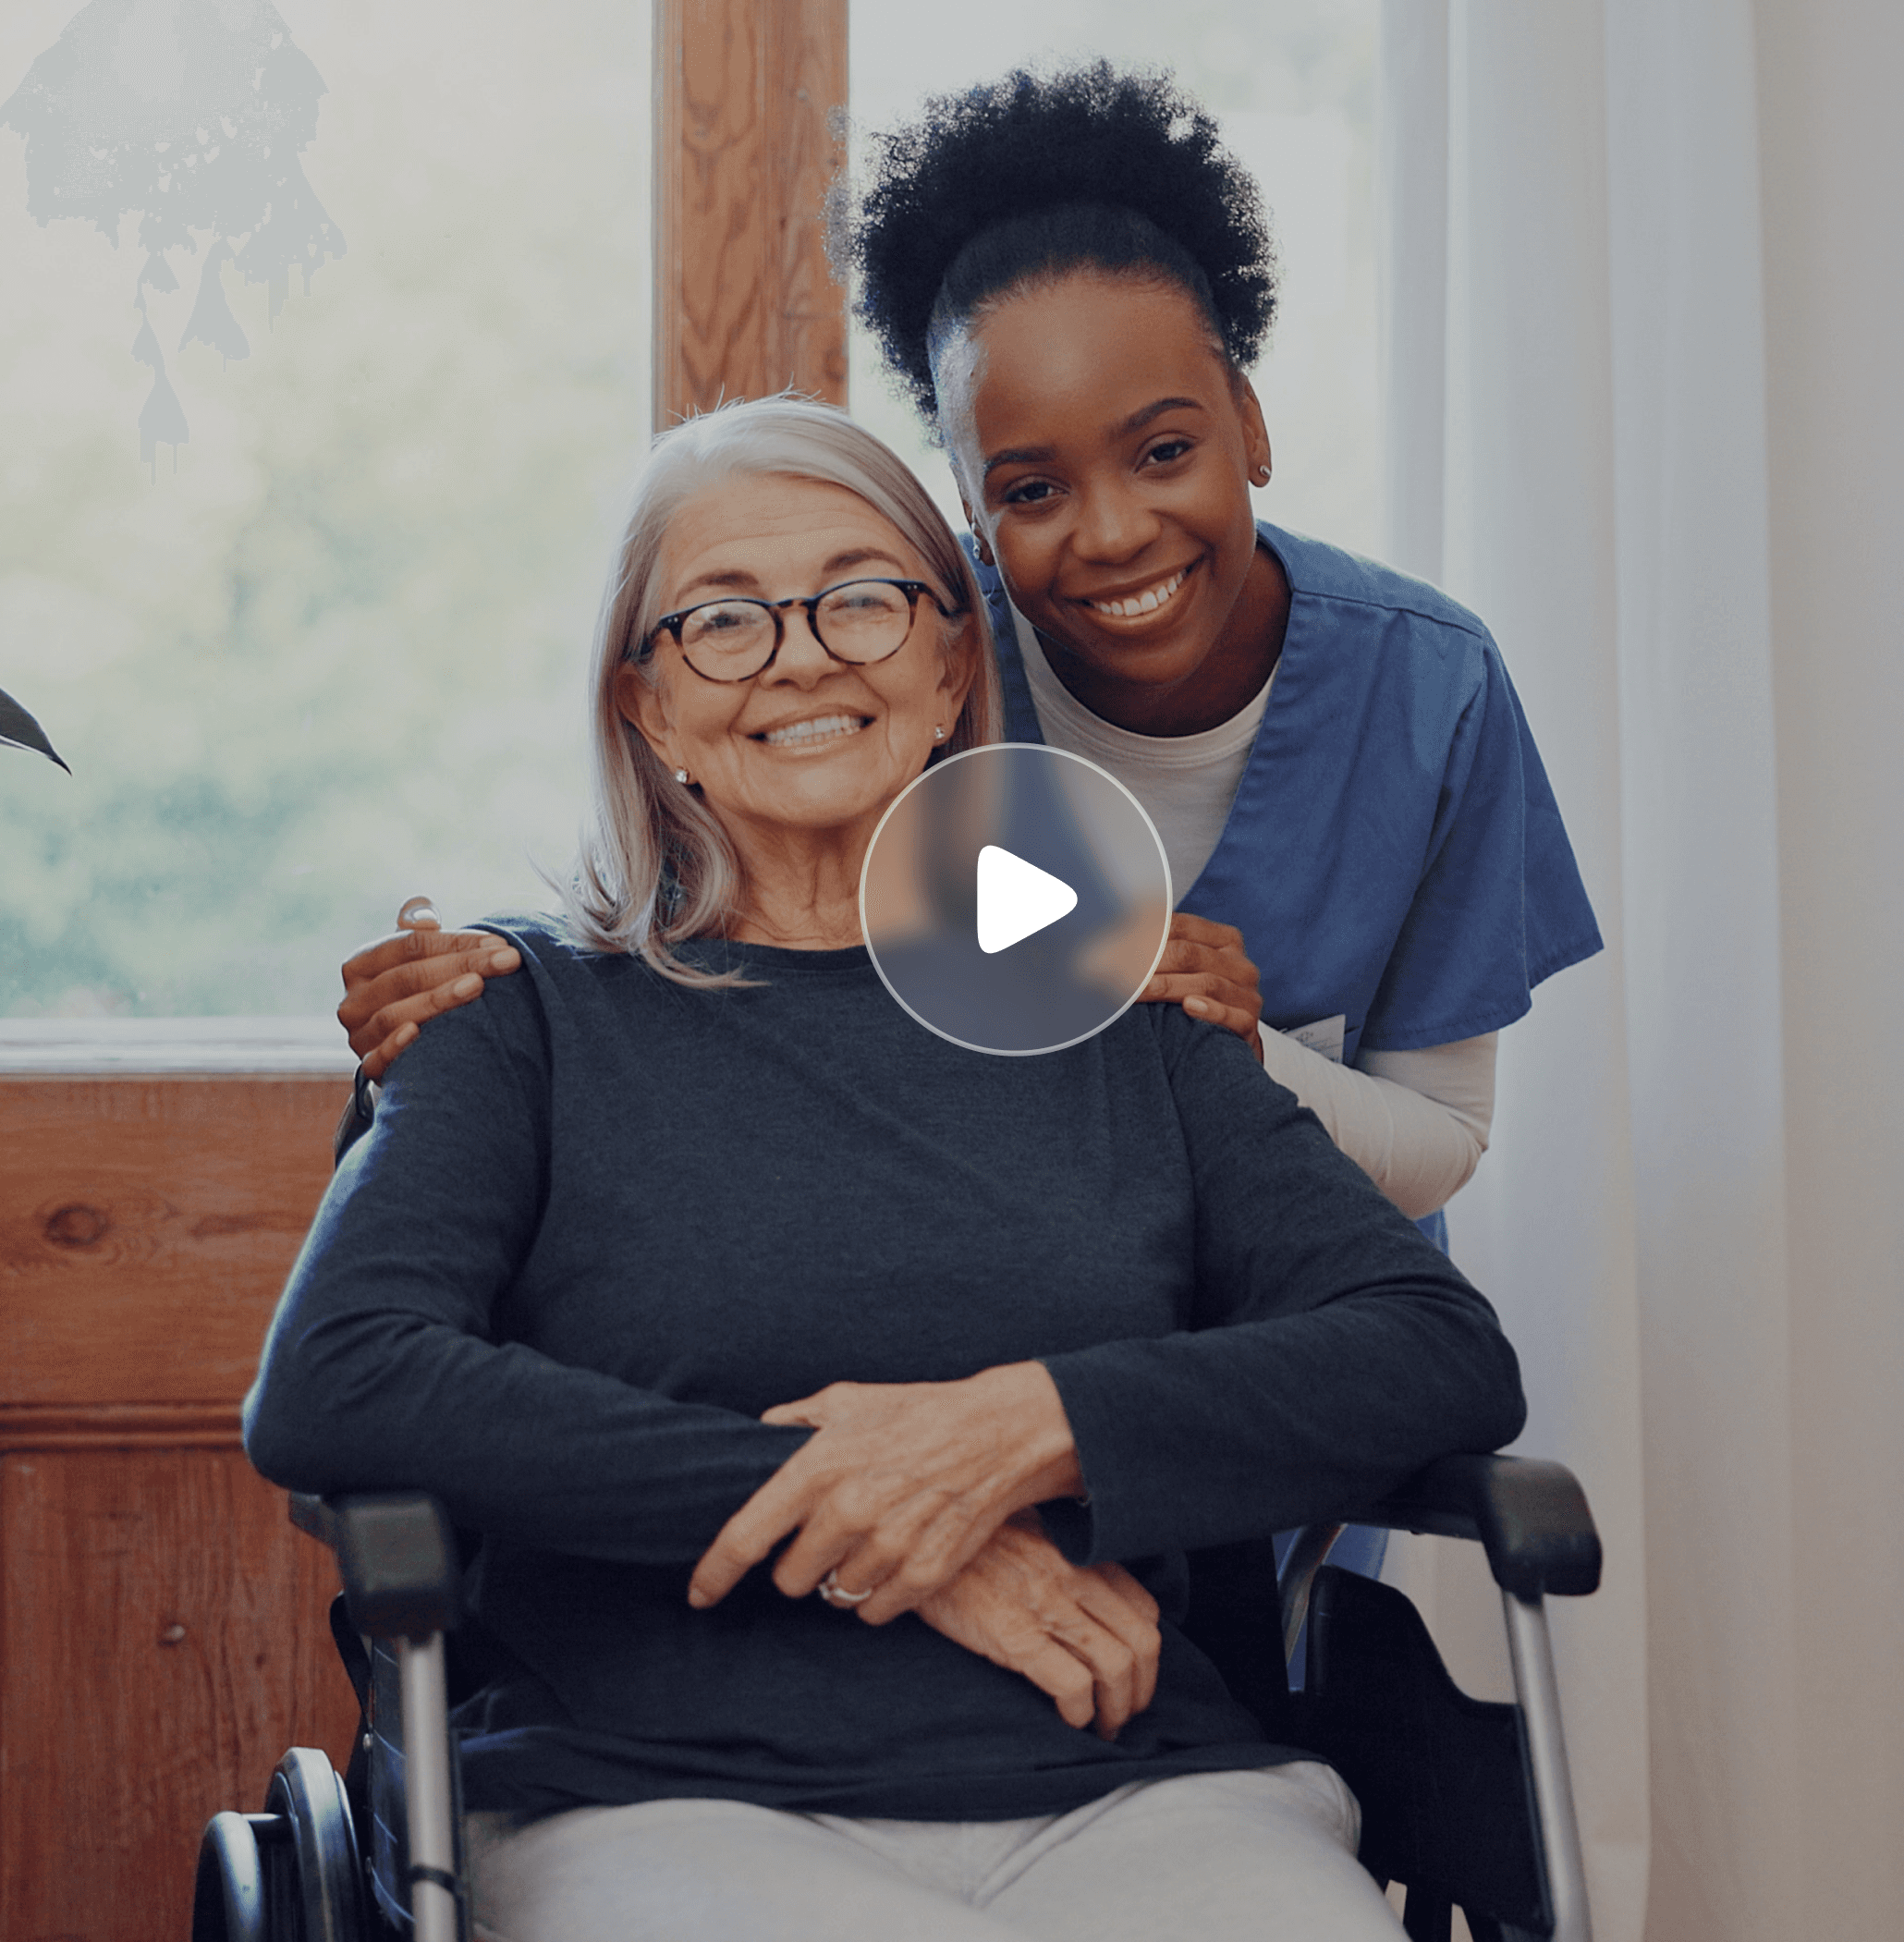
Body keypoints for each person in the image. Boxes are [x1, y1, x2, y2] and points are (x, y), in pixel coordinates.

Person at [246, 397, 1527, 1940]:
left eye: (860, 597)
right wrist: (887, 1526)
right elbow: (344, 1379)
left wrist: (1019, 1431)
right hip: (660, 1796)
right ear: (646, 708)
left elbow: (1436, 1356)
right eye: (721, 619)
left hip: (1139, 1792)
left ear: (947, 666)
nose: (800, 654)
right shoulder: (513, 1020)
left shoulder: (1117, 1009)